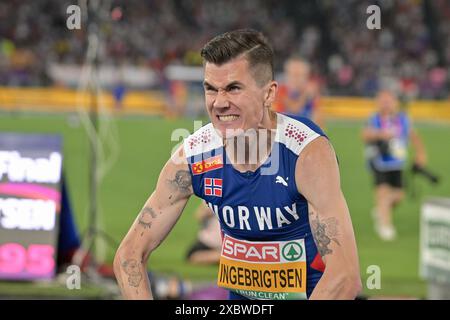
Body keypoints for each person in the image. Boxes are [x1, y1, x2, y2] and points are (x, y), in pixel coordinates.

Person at [114, 29, 361, 300]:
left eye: (233, 88)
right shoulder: (193, 157)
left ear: (269, 94)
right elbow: (129, 256)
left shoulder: (306, 154)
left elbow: (345, 277)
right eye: (210, 89)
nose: (219, 103)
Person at [362, 90, 427, 241]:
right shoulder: (374, 119)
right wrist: (380, 134)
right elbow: (364, 135)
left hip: (397, 162)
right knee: (383, 192)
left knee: (398, 196)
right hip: (379, 161)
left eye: (389, 101)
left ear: (395, 102)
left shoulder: (403, 119)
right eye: (383, 101)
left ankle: (381, 210)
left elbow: (413, 136)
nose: (386, 104)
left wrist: (420, 153)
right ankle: (385, 226)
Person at [274, 56, 324, 127]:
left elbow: (319, 117)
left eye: (299, 75)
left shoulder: (312, 89)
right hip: (285, 128)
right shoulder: (282, 89)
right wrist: (305, 95)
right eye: (293, 75)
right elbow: (294, 109)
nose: (296, 79)